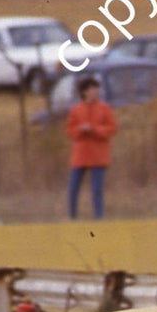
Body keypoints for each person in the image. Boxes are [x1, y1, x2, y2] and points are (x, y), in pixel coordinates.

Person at [65, 77, 117, 220]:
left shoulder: (104, 108)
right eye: (93, 89)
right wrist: (81, 130)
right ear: (85, 92)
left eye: (97, 89)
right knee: (73, 188)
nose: (96, 92)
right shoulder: (76, 110)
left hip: (98, 155)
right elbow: (70, 131)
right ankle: (72, 216)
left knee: (97, 190)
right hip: (80, 156)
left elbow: (112, 128)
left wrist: (94, 129)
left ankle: (98, 217)